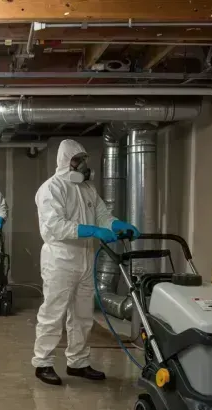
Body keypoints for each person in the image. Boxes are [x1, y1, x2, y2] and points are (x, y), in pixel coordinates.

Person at [32, 139, 139, 386]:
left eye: (84, 160)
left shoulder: (88, 189)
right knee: (53, 312)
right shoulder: (51, 188)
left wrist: (115, 224)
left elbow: (102, 214)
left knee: (82, 315)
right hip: (60, 259)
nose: (82, 165)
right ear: (65, 161)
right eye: (77, 159)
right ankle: (43, 362)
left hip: (85, 258)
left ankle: (77, 362)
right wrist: (91, 230)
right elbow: (55, 226)